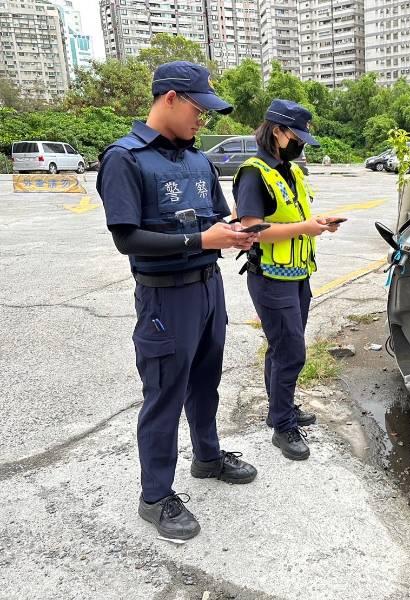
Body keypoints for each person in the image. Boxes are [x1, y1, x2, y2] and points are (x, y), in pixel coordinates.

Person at [96, 61, 259, 541]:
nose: (202, 121)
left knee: (207, 381)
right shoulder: (125, 159)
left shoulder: (199, 161)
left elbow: (216, 220)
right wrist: (200, 240)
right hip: (165, 299)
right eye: (197, 108)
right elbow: (127, 238)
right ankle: (155, 496)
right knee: (165, 394)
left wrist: (234, 235)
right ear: (169, 97)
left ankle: (207, 457)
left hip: (209, 290)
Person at [233, 99, 342, 461]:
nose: (300, 144)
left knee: (282, 348)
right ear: (277, 132)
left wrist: (318, 223)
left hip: (298, 275)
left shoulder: (290, 171)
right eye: (297, 136)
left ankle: (280, 409)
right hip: (269, 277)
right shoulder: (253, 173)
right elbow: (251, 230)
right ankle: (282, 426)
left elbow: (295, 215)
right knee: (291, 351)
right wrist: (305, 228)